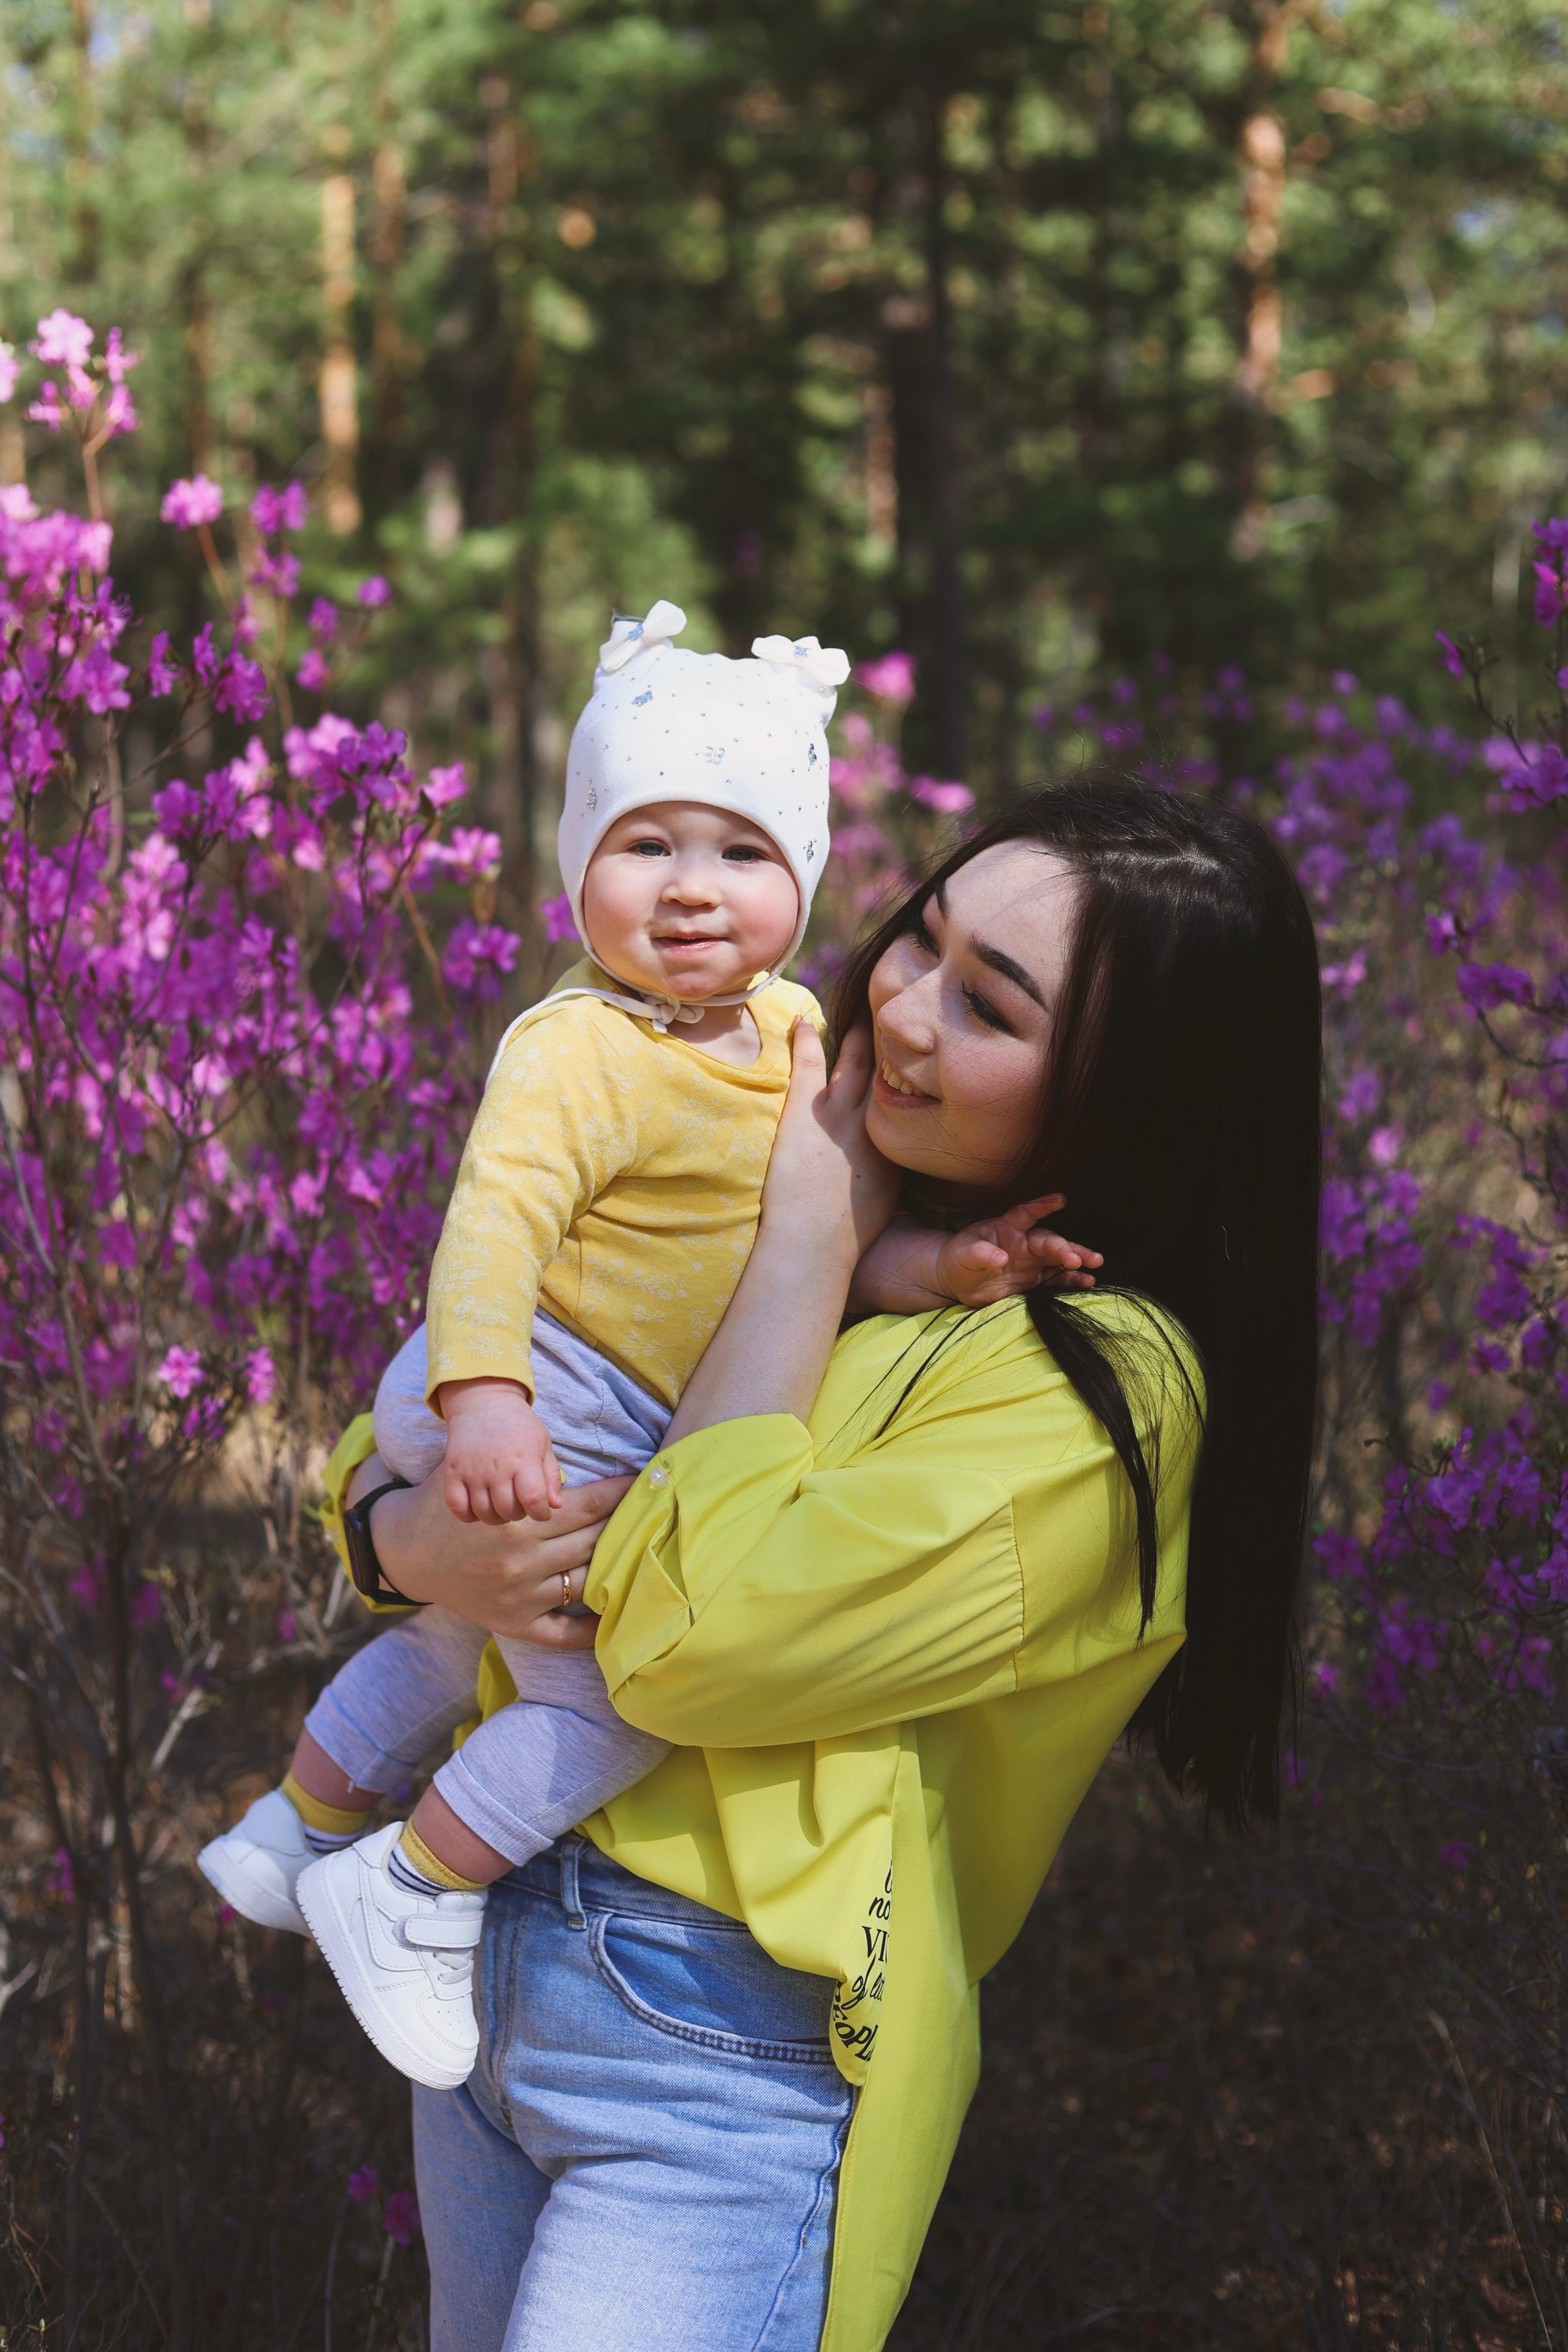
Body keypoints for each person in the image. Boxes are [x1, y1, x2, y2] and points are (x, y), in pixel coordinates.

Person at [317, 777, 1322, 2352]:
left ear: (1132, 1096)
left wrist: (804, 1236)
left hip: (720, 2050)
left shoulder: (1099, 1393)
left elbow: (682, 1640)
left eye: (986, 1004)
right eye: (918, 937)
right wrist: (399, 1540)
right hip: (500, 1953)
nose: (900, 1009)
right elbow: (439, 1422)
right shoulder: (869, 1235)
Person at [198, 603, 1093, 2092]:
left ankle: (292, 1826)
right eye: (644, 846)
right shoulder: (579, 1046)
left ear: (802, 880)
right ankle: (413, 1887)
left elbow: (792, 1255)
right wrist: (481, 1403)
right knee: (605, 1698)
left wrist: (943, 1262)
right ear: (576, 870)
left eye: (742, 853)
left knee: (454, 1632)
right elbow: (493, 1222)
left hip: (567, 1401)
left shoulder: (789, 1035)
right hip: (534, 1382)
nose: (691, 893)